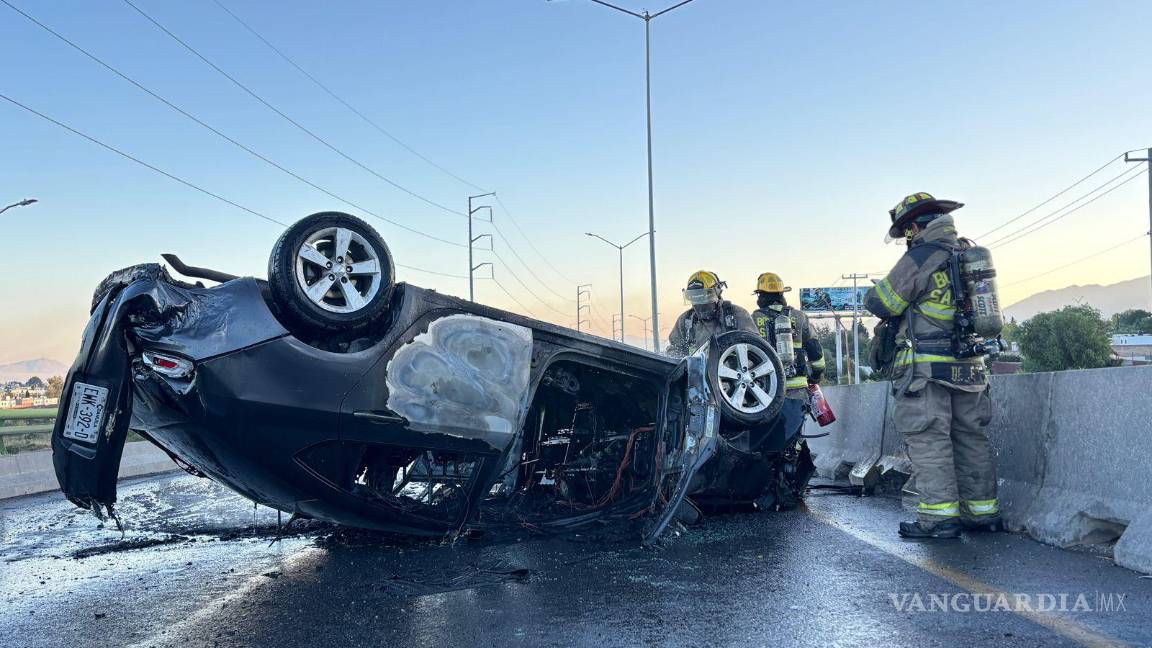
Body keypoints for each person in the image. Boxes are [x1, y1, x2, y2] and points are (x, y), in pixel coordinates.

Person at [863, 192, 1001, 539]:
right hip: (970, 366)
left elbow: (883, 303)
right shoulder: (967, 255)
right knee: (971, 439)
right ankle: (983, 513)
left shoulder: (922, 256)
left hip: (926, 370)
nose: (906, 240)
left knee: (930, 441)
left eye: (905, 233)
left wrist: (874, 292)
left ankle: (939, 518)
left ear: (913, 228)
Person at [751, 272, 825, 399]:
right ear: (782, 294)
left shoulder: (753, 319)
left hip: (766, 391)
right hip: (797, 390)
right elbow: (815, 349)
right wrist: (816, 376)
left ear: (761, 295)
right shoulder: (800, 316)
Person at [667, 270, 757, 357]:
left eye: (704, 298)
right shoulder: (685, 321)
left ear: (717, 293)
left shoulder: (737, 315)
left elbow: (756, 347)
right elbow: (674, 352)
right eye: (695, 300)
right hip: (697, 368)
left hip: (732, 367)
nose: (700, 305)